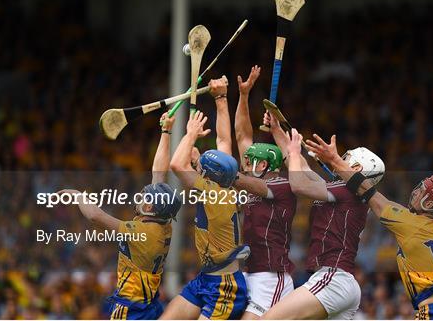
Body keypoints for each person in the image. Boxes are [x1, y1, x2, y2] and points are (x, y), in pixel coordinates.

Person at [305, 132, 433, 320]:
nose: (415, 193)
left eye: (421, 192)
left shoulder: (411, 225)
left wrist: (335, 160)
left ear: (429, 204)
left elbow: (371, 194)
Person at [56, 112, 181, 320]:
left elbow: (95, 216)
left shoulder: (141, 232)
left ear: (150, 208)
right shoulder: (165, 222)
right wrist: (166, 131)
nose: (141, 195)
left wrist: (77, 196)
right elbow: (158, 174)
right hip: (150, 304)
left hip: (131, 309)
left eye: (145, 196)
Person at [262, 123, 378, 320]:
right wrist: (277, 131)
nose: (341, 159)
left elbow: (298, 185)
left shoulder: (347, 191)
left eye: (347, 158)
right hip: (341, 282)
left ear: (357, 168)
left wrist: (295, 150)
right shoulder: (342, 192)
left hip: (333, 278)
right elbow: (298, 165)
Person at [160, 77, 248, 320]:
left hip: (225, 288)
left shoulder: (212, 192)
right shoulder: (224, 185)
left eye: (202, 167)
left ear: (209, 176)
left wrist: (190, 134)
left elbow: (177, 164)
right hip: (205, 279)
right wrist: (221, 98)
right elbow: (223, 141)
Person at [232, 66, 297, 319]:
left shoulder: (281, 185)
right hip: (248, 271)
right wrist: (244, 96)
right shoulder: (252, 177)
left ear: (263, 165)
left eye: (249, 161)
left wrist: (223, 171)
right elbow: (241, 134)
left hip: (271, 277)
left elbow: (254, 185)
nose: (244, 164)